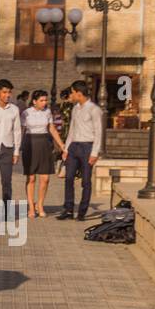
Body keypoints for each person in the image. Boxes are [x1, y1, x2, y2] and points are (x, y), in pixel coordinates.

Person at [58, 79, 103, 221]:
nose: (71, 95)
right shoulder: (75, 108)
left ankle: (82, 212)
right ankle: (68, 209)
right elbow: (72, 129)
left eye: (72, 92)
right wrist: (66, 148)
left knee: (86, 181)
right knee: (69, 178)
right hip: (74, 147)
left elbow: (99, 132)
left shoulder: (94, 110)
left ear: (79, 93)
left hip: (87, 147)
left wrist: (94, 153)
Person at [22, 89, 65, 218]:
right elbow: (21, 130)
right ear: (34, 101)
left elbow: (51, 128)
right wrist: (16, 148)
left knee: (45, 178)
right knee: (31, 178)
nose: (45, 102)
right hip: (30, 144)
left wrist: (61, 144)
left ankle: (40, 205)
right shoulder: (26, 113)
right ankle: (31, 206)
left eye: (45, 100)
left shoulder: (47, 112)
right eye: (42, 100)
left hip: (45, 144)